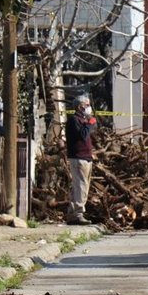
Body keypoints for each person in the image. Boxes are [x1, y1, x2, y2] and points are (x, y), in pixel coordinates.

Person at [65, 94, 97, 225]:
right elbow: (82, 135)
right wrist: (90, 123)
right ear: (79, 107)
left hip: (85, 157)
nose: (89, 107)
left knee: (81, 186)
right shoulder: (74, 120)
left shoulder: (82, 120)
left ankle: (72, 213)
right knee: (81, 186)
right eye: (87, 105)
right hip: (79, 158)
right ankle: (78, 213)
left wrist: (89, 123)